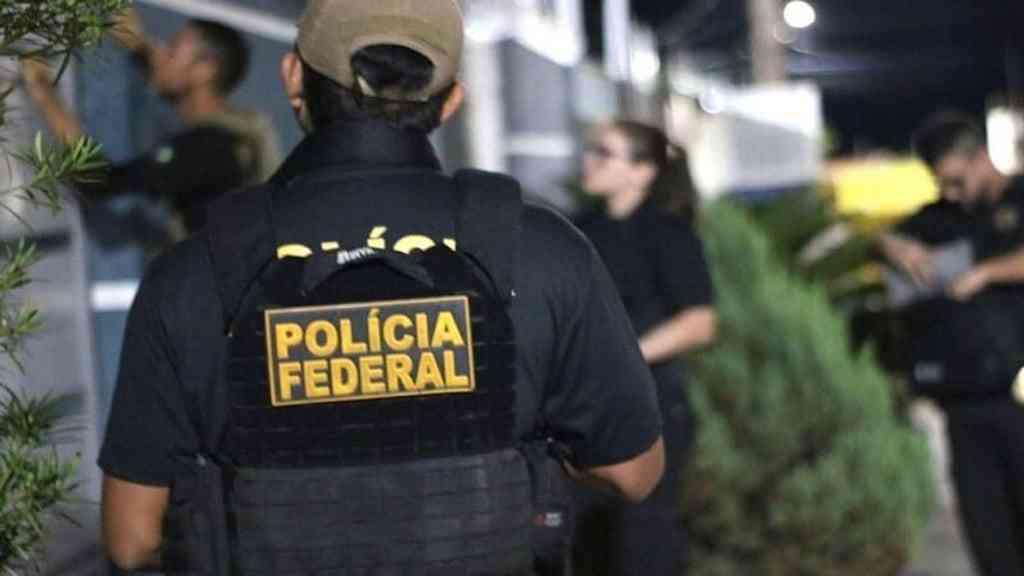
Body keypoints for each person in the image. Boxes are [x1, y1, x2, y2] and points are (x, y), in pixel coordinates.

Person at [97, 1, 666, 574]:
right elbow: (632, 472)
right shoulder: (539, 250)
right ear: (451, 100)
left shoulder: (193, 272)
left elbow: (132, 539)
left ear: (293, 77)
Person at [879, 111, 1024, 576]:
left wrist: (985, 273)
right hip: (964, 401)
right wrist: (895, 247)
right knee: (991, 535)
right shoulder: (941, 218)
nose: (951, 193)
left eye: (957, 180)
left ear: (981, 157)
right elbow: (881, 237)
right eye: (942, 183)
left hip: (1018, 392)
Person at [572, 120, 717, 575]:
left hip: (649, 407)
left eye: (604, 152)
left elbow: (698, 322)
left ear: (643, 171)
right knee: (586, 543)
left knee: (644, 540)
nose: (589, 160)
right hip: (582, 411)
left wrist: (624, 359)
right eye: (591, 150)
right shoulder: (578, 229)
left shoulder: (667, 233)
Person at [21, 8, 281, 238]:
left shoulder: (204, 151)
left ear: (205, 69)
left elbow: (98, 181)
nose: (162, 52)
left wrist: (43, 90)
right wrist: (139, 47)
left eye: (173, 49)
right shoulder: (234, 134)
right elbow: (175, 89)